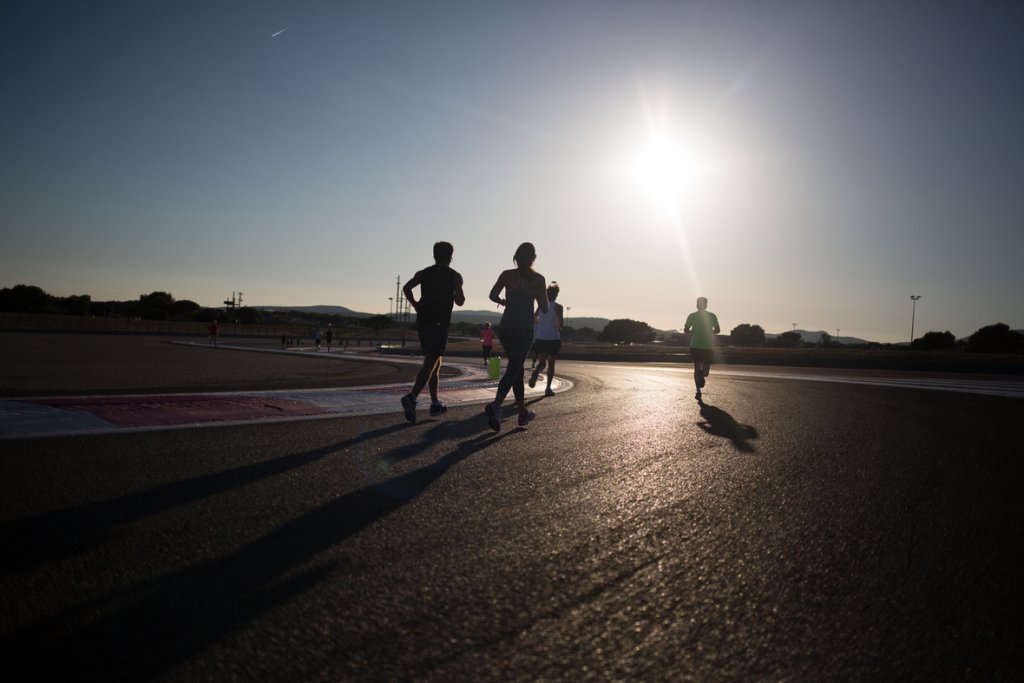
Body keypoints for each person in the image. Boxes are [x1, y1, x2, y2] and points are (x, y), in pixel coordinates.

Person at [400, 241, 466, 423]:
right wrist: (453, 293)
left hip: (423, 322)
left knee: (434, 362)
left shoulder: (423, 273)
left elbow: (406, 288)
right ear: (451, 256)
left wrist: (416, 305)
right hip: (439, 323)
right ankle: (412, 397)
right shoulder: (455, 276)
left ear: (434, 255)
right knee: (430, 364)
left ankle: (435, 403)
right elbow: (460, 301)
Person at [484, 242, 548, 431]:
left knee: (516, 369)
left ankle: (522, 413)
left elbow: (492, 295)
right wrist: (537, 296)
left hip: (506, 328)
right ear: (533, 258)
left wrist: (504, 301)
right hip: (524, 329)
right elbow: (544, 308)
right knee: (513, 369)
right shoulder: (538, 279)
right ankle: (496, 406)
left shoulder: (506, 275)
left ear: (516, 257)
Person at [529, 281, 563, 397]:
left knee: (542, 363)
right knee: (551, 365)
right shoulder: (558, 307)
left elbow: (534, 317)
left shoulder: (541, 306)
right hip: (553, 338)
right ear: (556, 294)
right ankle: (548, 388)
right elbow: (561, 324)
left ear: (547, 294)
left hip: (541, 338)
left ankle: (536, 371)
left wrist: (539, 325)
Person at [684, 296, 720, 401]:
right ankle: (698, 391)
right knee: (701, 370)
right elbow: (717, 330)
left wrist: (692, 331)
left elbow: (686, 330)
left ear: (699, 305)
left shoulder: (695, 316)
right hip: (701, 346)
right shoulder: (709, 316)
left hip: (701, 345)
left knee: (702, 371)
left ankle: (700, 381)